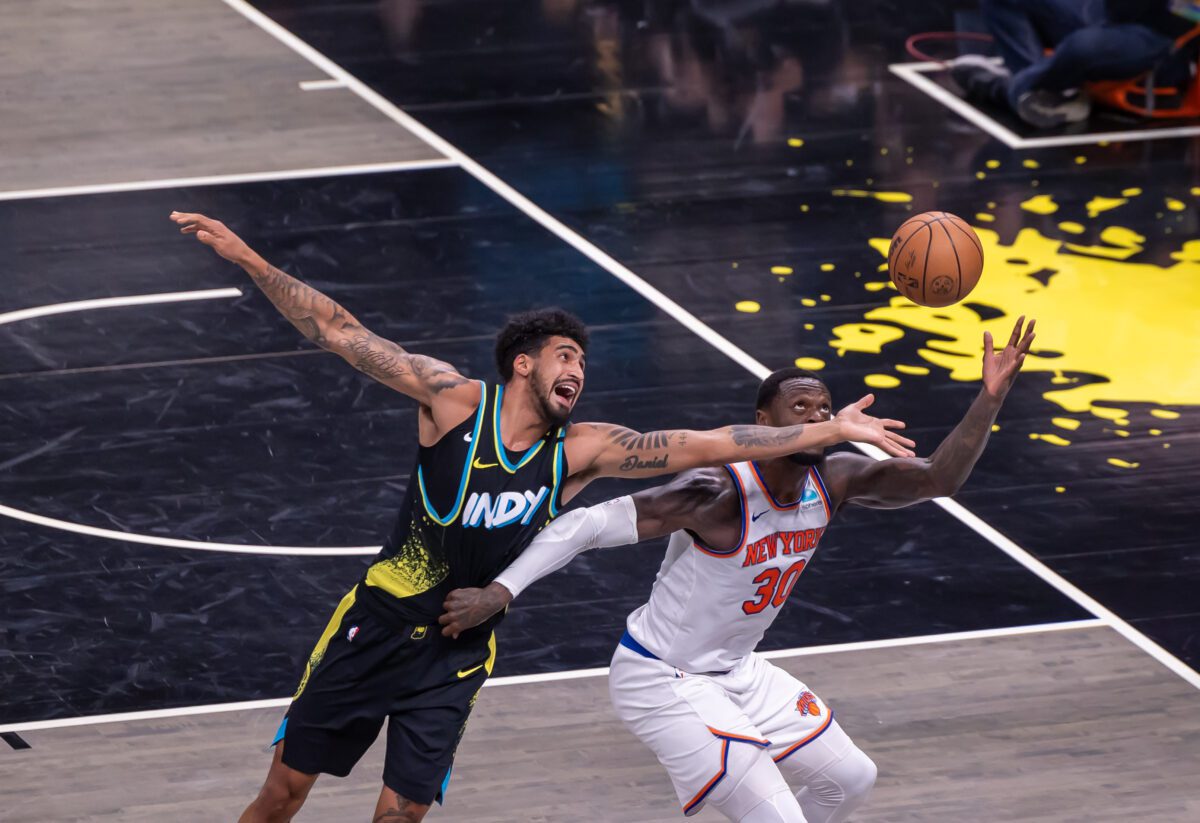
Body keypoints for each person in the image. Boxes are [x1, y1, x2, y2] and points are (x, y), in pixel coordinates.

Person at [167, 212, 915, 823]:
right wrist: (250, 260)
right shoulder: (455, 402)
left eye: (584, 363)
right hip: (379, 625)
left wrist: (829, 431)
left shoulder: (583, 451)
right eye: (565, 355)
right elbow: (339, 330)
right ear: (523, 363)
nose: (578, 371)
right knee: (284, 796)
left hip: (457, 650)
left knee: (401, 815)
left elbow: (709, 442)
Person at [440, 317, 1036, 821]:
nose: (815, 415)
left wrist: (989, 398)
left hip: (738, 673)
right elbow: (587, 525)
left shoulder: (838, 477)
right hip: (662, 679)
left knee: (851, 778)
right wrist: (501, 590)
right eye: (798, 407)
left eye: (824, 408)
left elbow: (939, 478)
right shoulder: (715, 492)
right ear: (763, 422)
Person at [950, 0, 1192, 128]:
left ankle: (1009, 89)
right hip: (1106, 14)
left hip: (1159, 39)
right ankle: (1048, 93)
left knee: (1083, 47)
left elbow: (1187, 16)